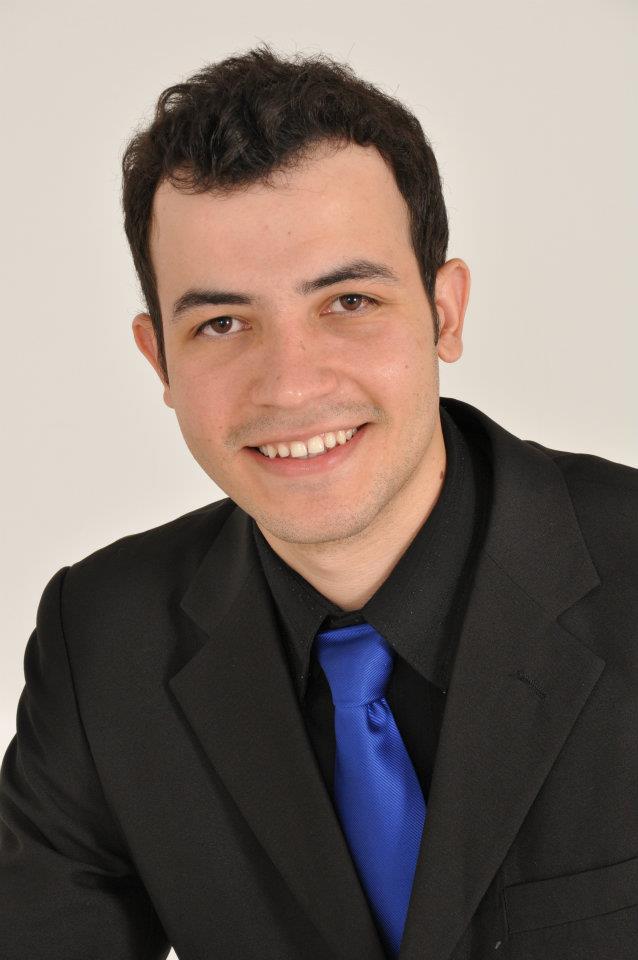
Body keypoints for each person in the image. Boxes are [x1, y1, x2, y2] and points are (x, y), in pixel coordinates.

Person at [0, 43, 636, 960]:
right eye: (223, 323)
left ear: (445, 312)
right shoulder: (101, 643)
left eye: (348, 302)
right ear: (158, 359)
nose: (291, 386)